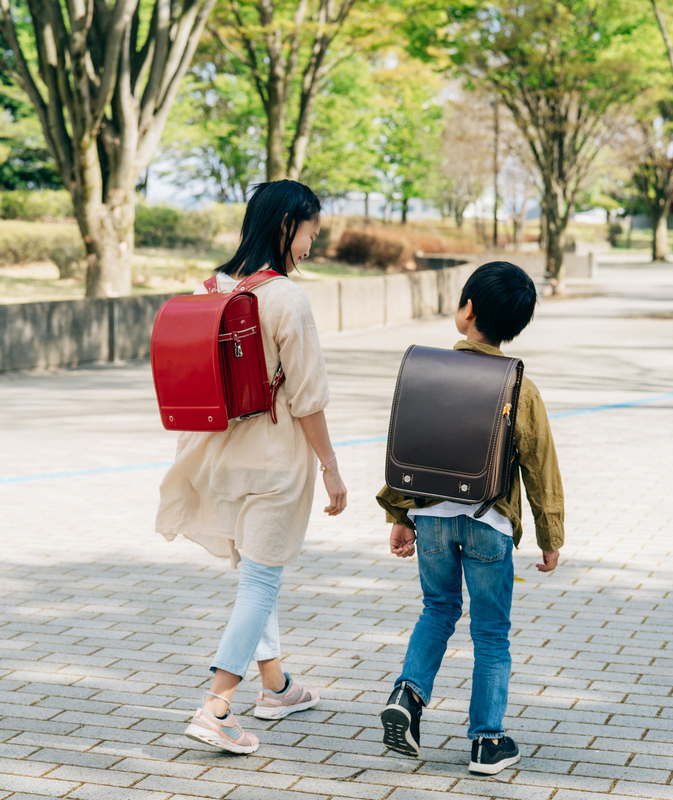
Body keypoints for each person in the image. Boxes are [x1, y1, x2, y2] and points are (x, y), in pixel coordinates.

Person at [156, 180, 347, 755]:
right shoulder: (288, 298)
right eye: (312, 231)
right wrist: (331, 468)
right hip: (272, 465)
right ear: (288, 224)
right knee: (262, 582)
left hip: (218, 460)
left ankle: (278, 688)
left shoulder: (208, 286)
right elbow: (308, 398)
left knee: (254, 578)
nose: (313, 243)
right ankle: (216, 707)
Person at [375, 260, 564, 775]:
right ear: (515, 326)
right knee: (490, 633)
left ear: (467, 312)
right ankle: (486, 740)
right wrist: (550, 535)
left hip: (432, 519)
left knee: (437, 609)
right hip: (490, 523)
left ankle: (408, 696)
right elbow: (540, 463)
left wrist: (400, 512)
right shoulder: (518, 385)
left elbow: (409, 448)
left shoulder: (429, 370)